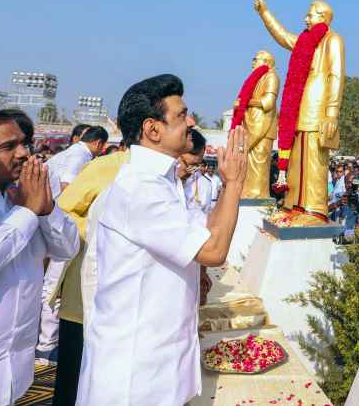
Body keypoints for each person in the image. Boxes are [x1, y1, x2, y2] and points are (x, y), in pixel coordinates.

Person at [75, 74, 247, 406]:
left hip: (156, 367)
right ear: (153, 129)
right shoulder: (140, 188)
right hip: (134, 377)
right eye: (182, 115)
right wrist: (235, 184)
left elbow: (205, 233)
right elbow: (213, 250)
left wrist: (228, 186)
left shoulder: (163, 183)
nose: (192, 121)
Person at [0, 109, 80, 405]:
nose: (23, 153)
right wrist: (26, 214)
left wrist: (45, 209)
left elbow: (67, 248)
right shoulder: (16, 208)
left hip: (15, 373)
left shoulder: (22, 195)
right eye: (7, 147)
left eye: (24, 143)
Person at [254, 0, 345, 226]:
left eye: (310, 14)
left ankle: (314, 210)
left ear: (322, 17)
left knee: (313, 157)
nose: (305, 18)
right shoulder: (305, 41)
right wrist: (265, 13)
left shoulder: (332, 40)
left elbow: (336, 76)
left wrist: (332, 112)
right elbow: (283, 37)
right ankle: (293, 206)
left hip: (318, 108)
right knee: (296, 159)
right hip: (298, 105)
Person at [50, 146, 131, 406]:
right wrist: (106, 233)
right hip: (85, 295)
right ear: (151, 127)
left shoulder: (165, 172)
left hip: (126, 299)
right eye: (180, 117)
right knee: (75, 375)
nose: (188, 125)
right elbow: (63, 211)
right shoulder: (107, 166)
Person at [37, 124, 109, 363]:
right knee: (55, 286)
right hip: (58, 225)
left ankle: (46, 342)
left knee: (51, 284)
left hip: (53, 222)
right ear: (99, 144)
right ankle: (47, 345)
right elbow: (69, 188)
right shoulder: (81, 156)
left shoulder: (71, 153)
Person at [234, 50, 279, 199]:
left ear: (266, 62)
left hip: (263, 126)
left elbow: (268, 102)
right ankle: (246, 191)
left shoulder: (271, 77)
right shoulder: (256, 78)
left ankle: (258, 194)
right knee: (247, 160)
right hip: (251, 123)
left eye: (256, 59)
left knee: (259, 161)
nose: (252, 62)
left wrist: (245, 102)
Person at [179, 129, 214, 215]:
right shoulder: (157, 179)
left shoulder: (204, 184)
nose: (193, 170)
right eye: (191, 164)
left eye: (197, 166)